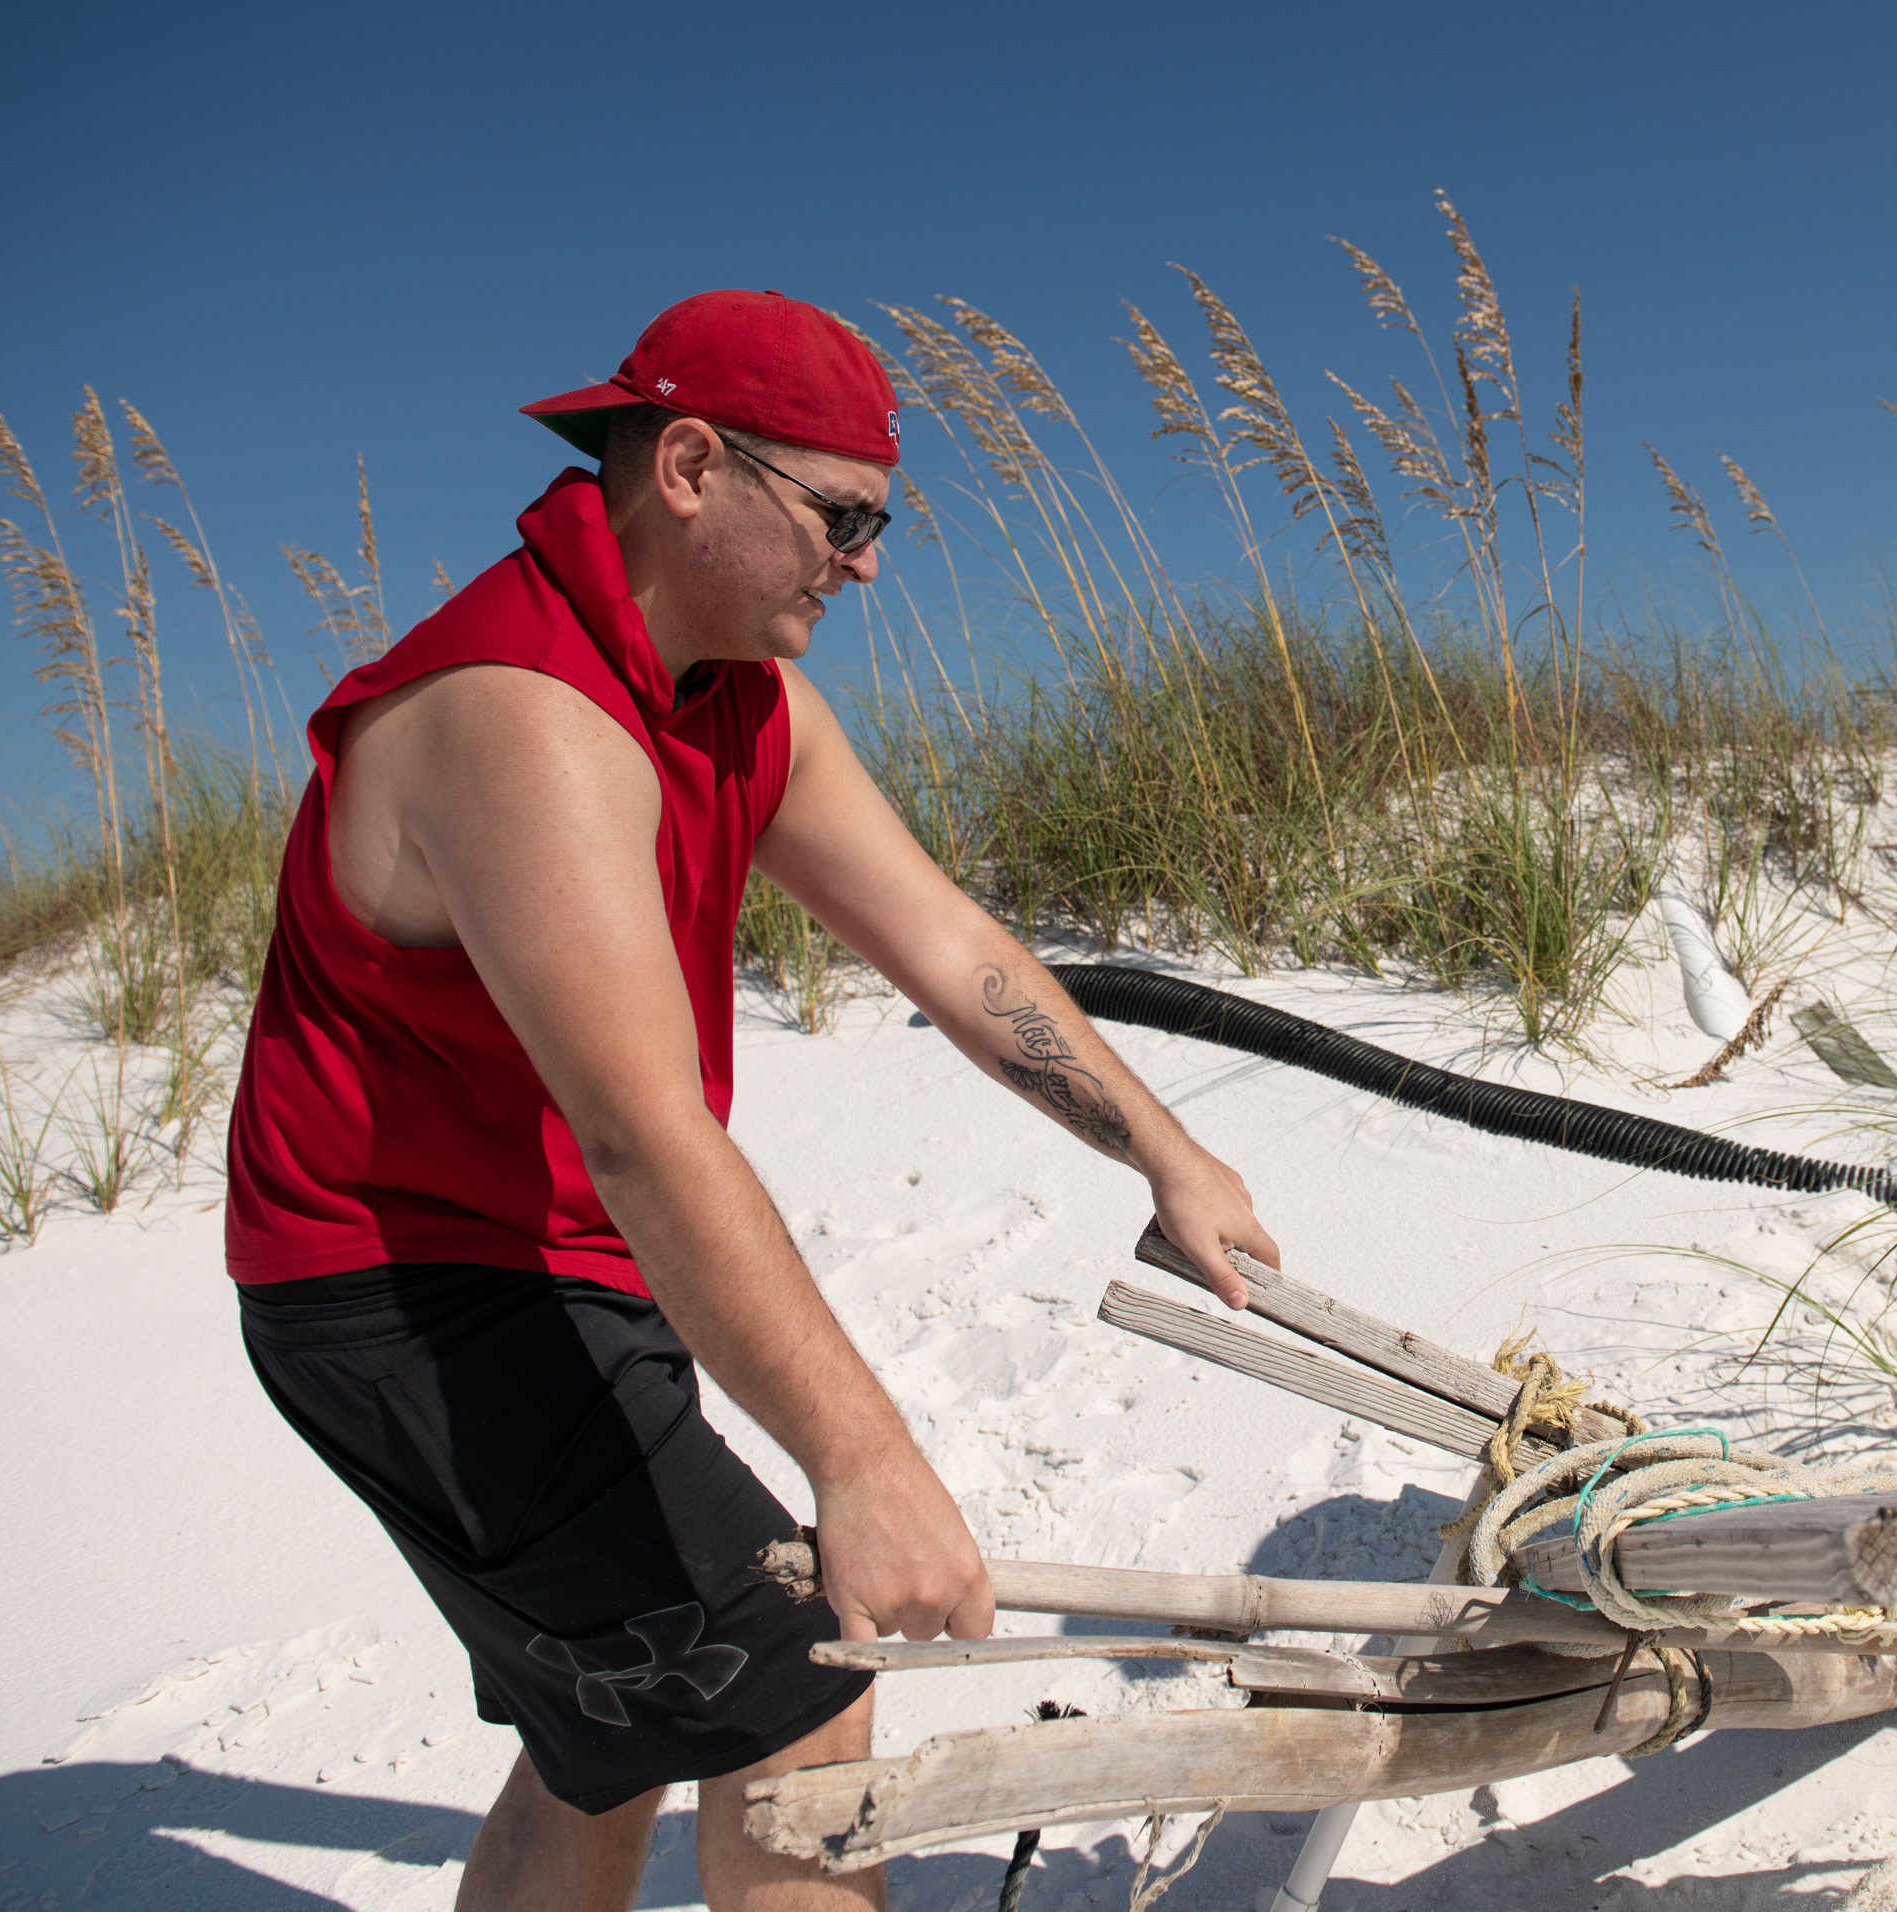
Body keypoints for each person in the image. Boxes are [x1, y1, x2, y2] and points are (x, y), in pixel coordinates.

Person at [224, 289, 1277, 1912]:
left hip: (559, 1278)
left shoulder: (743, 700)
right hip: (406, 1293)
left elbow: (946, 944)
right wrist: (865, 1458)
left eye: (881, 523)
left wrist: (1166, 1147)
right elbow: (647, 1134)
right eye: (844, 518)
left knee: (611, 1728)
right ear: (695, 466)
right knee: (803, 1684)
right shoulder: (523, 713)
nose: (866, 566)